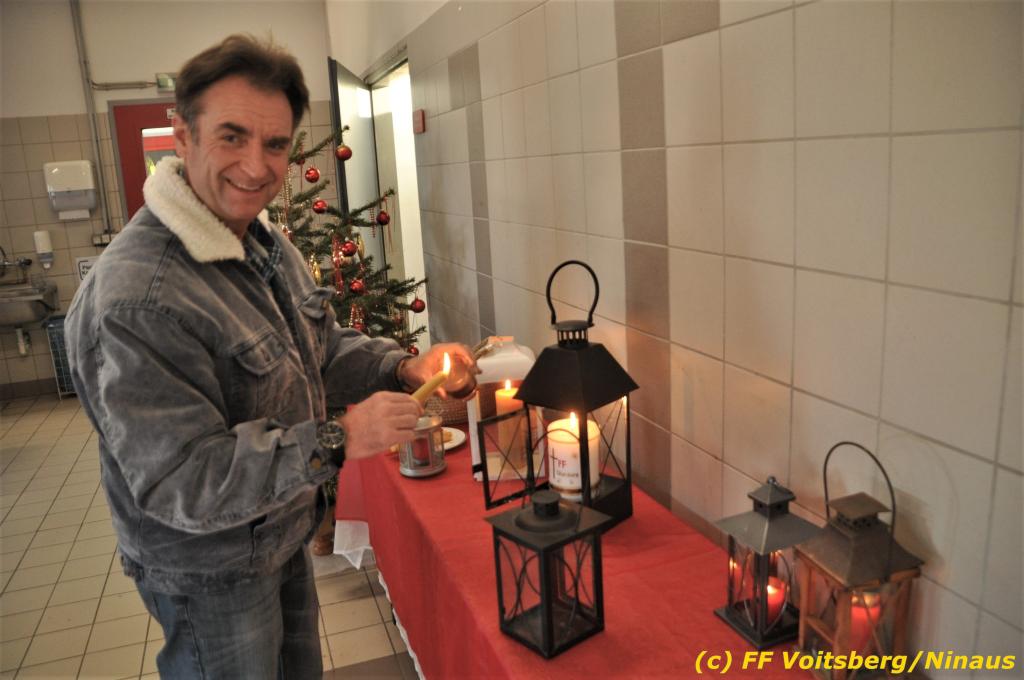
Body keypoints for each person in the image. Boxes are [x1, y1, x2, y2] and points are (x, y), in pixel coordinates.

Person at [65, 34, 476, 680]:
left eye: (276, 144)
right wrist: (339, 439)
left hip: (279, 530)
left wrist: (402, 367)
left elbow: (318, 348)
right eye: (232, 137)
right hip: (212, 571)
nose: (256, 167)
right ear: (183, 135)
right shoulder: (137, 297)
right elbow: (183, 480)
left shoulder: (261, 241)